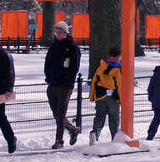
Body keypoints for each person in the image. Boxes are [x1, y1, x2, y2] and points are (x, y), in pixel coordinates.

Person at [44, 20, 81, 149]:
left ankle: (59, 140)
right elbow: (47, 63)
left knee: (60, 114)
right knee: (57, 114)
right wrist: (48, 77)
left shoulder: (72, 48)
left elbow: (74, 67)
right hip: (53, 83)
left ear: (65, 33)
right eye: (56, 32)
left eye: (60, 32)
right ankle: (72, 129)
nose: (58, 35)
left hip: (65, 85)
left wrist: (69, 80)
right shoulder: (53, 47)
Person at [89, 46, 123, 144]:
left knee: (100, 116)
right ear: (118, 56)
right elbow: (119, 85)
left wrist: (92, 96)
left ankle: (94, 133)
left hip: (100, 95)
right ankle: (115, 139)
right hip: (113, 97)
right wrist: (120, 99)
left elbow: (94, 81)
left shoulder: (101, 66)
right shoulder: (118, 69)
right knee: (114, 119)